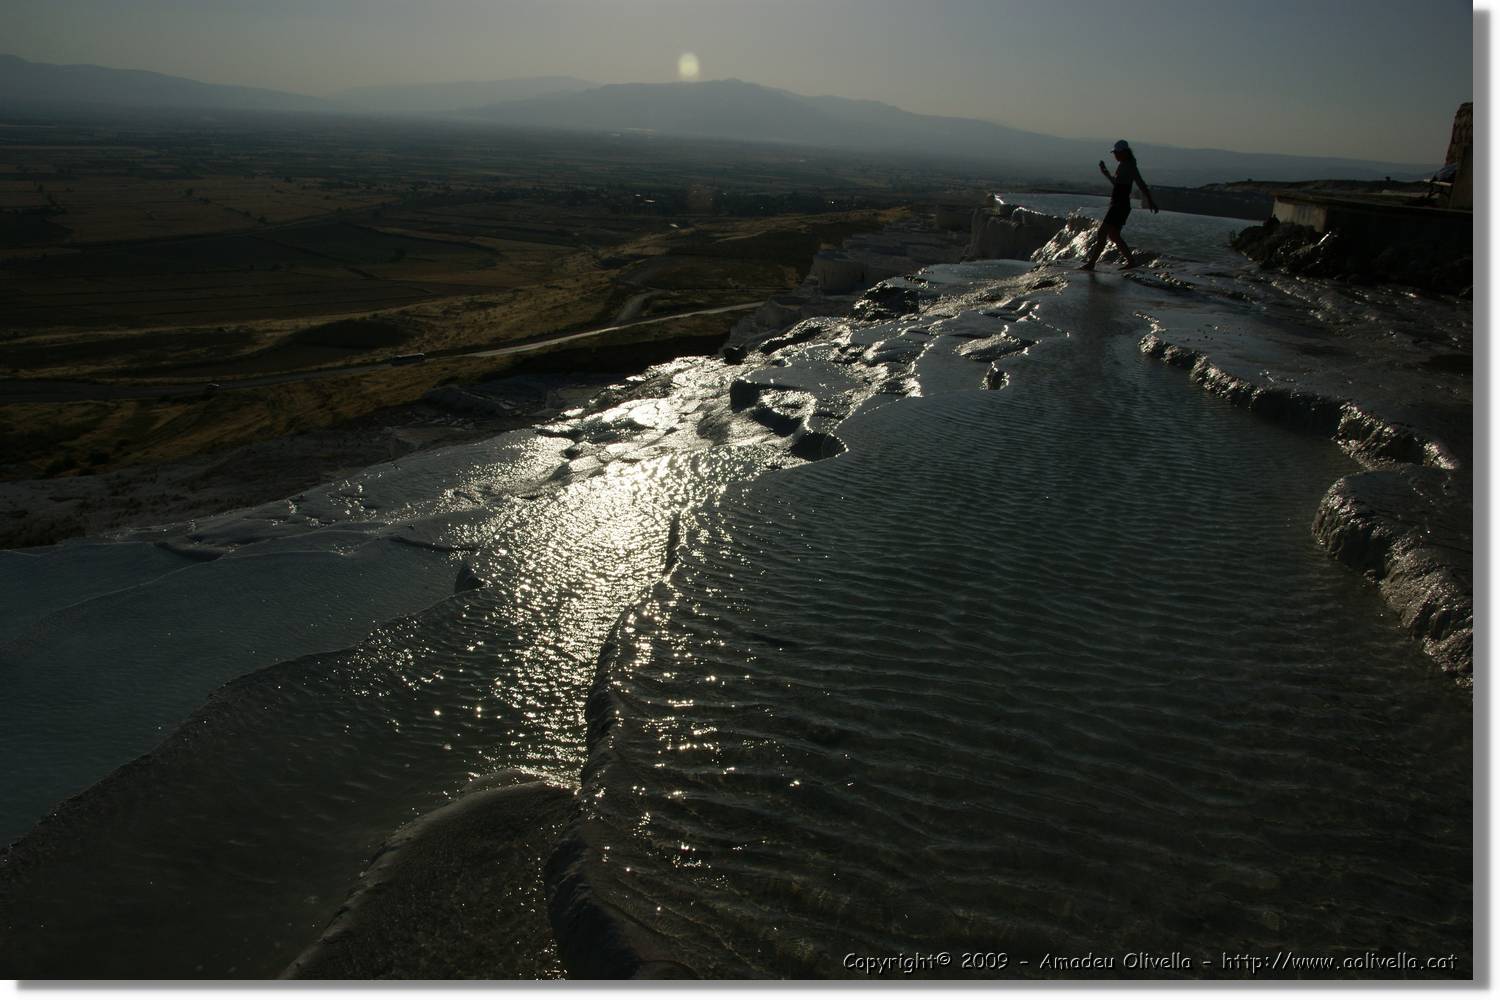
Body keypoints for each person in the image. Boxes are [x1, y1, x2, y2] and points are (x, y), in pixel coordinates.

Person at [1080, 140, 1159, 270]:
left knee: (1102, 232)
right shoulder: (1123, 165)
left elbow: (1140, 183)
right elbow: (1117, 183)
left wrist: (1150, 200)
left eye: (1117, 153)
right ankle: (1131, 261)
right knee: (1114, 235)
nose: (1115, 155)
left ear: (1124, 152)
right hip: (1118, 204)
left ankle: (1091, 264)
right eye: (1115, 153)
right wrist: (1105, 172)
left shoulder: (1130, 166)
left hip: (1120, 205)